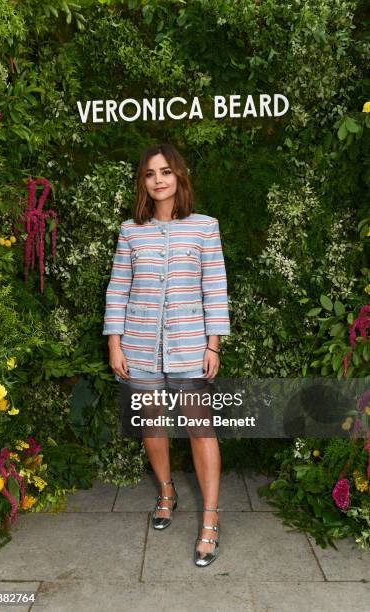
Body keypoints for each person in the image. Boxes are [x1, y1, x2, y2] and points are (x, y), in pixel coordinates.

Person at [103, 143, 230, 567]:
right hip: (139, 348)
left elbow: (215, 289)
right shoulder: (130, 232)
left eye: (166, 172)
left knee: (200, 429)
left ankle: (210, 519)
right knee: (152, 424)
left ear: (179, 177)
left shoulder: (205, 228)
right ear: (143, 182)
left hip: (190, 345)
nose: (158, 179)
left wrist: (213, 343)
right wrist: (114, 342)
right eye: (150, 173)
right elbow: (118, 289)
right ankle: (166, 491)